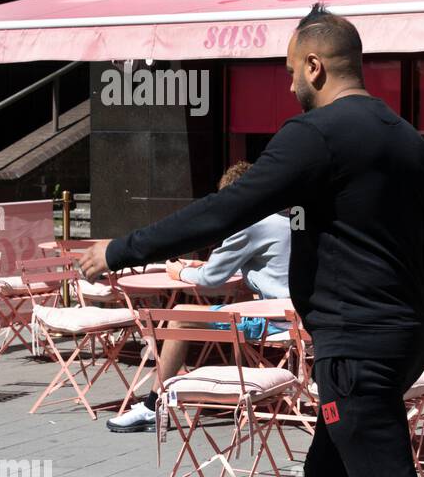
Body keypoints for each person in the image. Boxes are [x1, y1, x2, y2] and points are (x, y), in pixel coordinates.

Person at [79, 3, 424, 477]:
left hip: (356, 348)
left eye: (292, 70)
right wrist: (404, 308)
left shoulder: (314, 135)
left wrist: (123, 248)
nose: (289, 83)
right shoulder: (407, 138)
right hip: (396, 339)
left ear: (315, 65)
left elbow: (227, 209)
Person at [107, 160, 292, 434]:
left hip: (276, 323)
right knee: (188, 312)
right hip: (297, 317)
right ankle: (177, 391)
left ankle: (153, 405)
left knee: (180, 318)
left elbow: (211, 281)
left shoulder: (251, 224)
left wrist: (180, 272)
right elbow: (261, 267)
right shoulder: (285, 217)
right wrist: (198, 268)